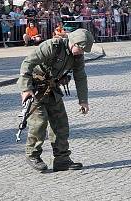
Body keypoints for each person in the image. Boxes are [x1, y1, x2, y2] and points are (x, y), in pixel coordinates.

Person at [18, 28, 93, 172]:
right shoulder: (52, 46)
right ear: (73, 42)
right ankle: (32, 154)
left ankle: (62, 159)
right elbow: (27, 63)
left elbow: (80, 76)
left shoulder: (77, 56)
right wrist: (26, 89)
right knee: (39, 122)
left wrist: (83, 100)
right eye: (80, 49)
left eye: (84, 50)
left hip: (52, 89)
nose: (82, 53)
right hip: (35, 89)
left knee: (61, 124)